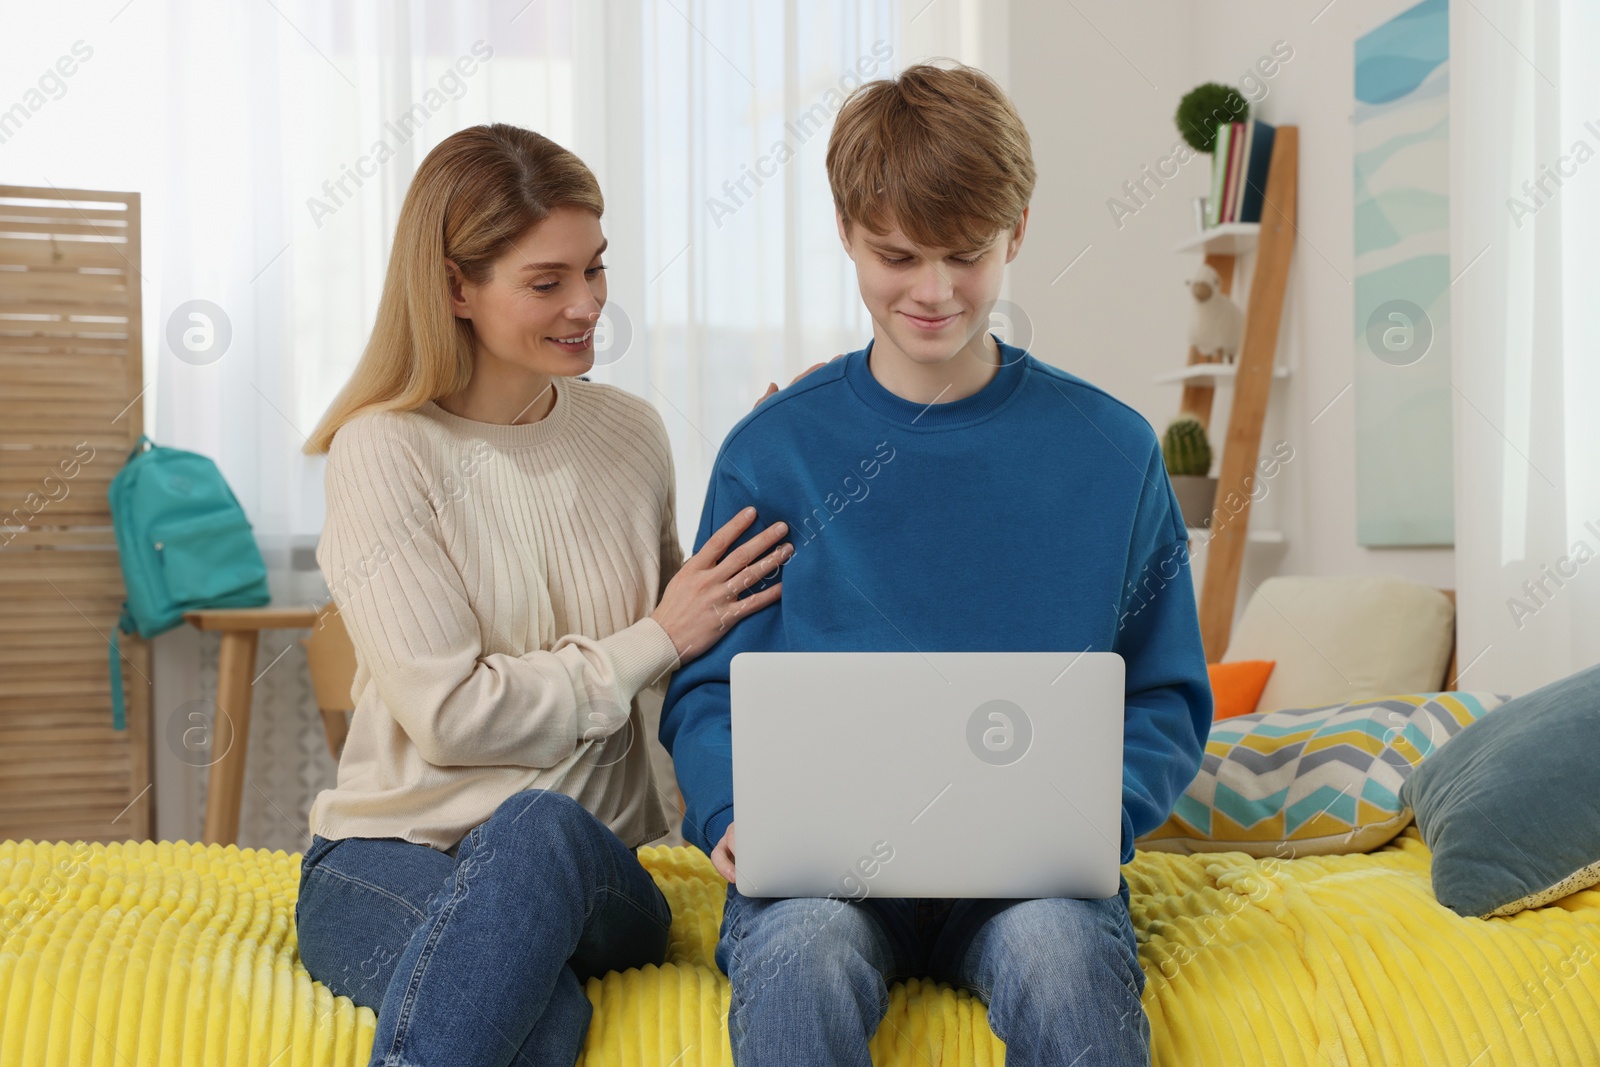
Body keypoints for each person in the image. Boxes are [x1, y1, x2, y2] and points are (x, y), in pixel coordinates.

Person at [659, 62, 1213, 1067]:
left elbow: (1167, 693)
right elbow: (705, 689)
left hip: (1031, 878)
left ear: (1018, 234)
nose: (933, 290)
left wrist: (1096, 817)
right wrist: (731, 809)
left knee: (1059, 955)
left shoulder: (1111, 447)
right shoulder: (770, 450)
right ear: (844, 233)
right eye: (896, 254)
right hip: (821, 877)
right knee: (802, 949)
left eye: (964, 255)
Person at [294, 123, 801, 1067]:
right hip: (387, 857)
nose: (588, 305)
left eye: (595, 270)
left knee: (536, 829)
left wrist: (794, 465)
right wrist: (654, 635)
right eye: (547, 282)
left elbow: (695, 641)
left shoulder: (631, 434)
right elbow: (449, 716)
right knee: (541, 1024)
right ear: (454, 287)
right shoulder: (384, 450)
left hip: (591, 872)